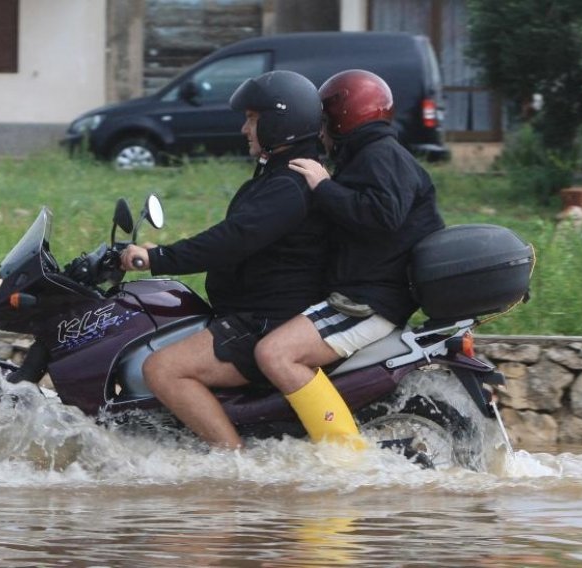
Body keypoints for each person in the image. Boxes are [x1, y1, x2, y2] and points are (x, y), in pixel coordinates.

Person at [118, 70, 330, 449]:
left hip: (264, 320)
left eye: (252, 118)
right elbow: (235, 235)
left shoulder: (288, 185)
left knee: (163, 369)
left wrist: (154, 258)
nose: (244, 128)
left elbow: (230, 241)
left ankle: (233, 463)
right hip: (251, 312)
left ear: (281, 120)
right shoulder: (280, 175)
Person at [254, 69, 445, 447]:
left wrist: (323, 187)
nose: (319, 131)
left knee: (276, 354)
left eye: (323, 121)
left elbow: (381, 216)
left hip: (366, 301)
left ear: (341, 117)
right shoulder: (372, 154)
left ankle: (345, 460)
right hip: (367, 294)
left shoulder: (380, 156)